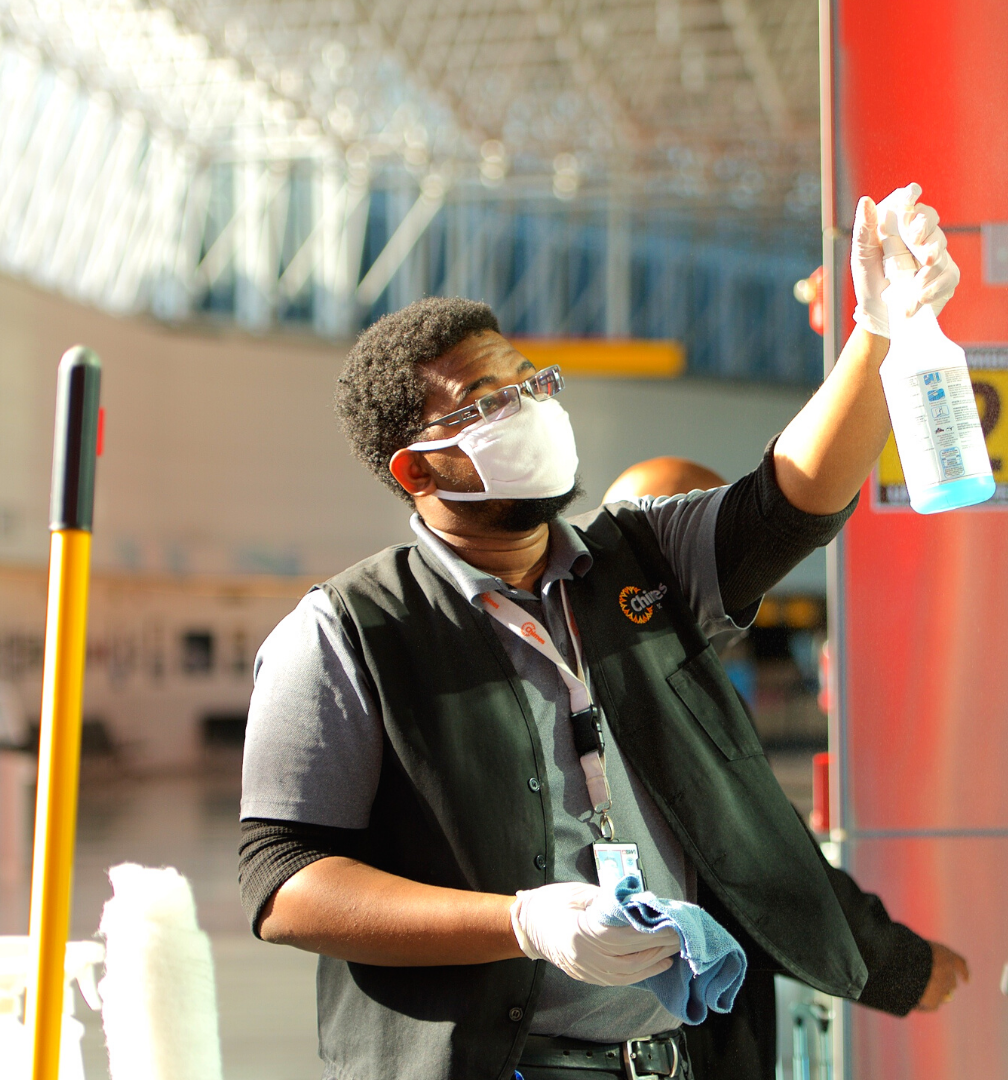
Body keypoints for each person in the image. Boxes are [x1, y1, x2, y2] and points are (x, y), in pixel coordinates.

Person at [237, 184, 962, 1080]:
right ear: (416, 467)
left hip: (689, 1055)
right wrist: (522, 922)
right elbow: (284, 881)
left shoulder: (642, 559)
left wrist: (878, 333)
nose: (532, 408)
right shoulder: (348, 633)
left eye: (532, 382)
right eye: (487, 402)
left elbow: (789, 503)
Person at [601, 458, 971, 1079]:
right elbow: (750, 865)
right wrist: (899, 966)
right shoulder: (650, 686)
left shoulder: (659, 676)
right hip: (668, 1047)